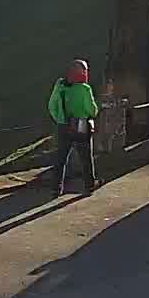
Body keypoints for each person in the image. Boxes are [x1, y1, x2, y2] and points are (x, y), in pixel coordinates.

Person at [48, 59, 100, 196]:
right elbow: (93, 111)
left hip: (63, 126)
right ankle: (89, 186)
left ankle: (56, 188)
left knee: (61, 158)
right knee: (86, 158)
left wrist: (60, 119)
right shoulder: (85, 89)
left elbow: (51, 106)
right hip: (81, 125)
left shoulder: (60, 85)